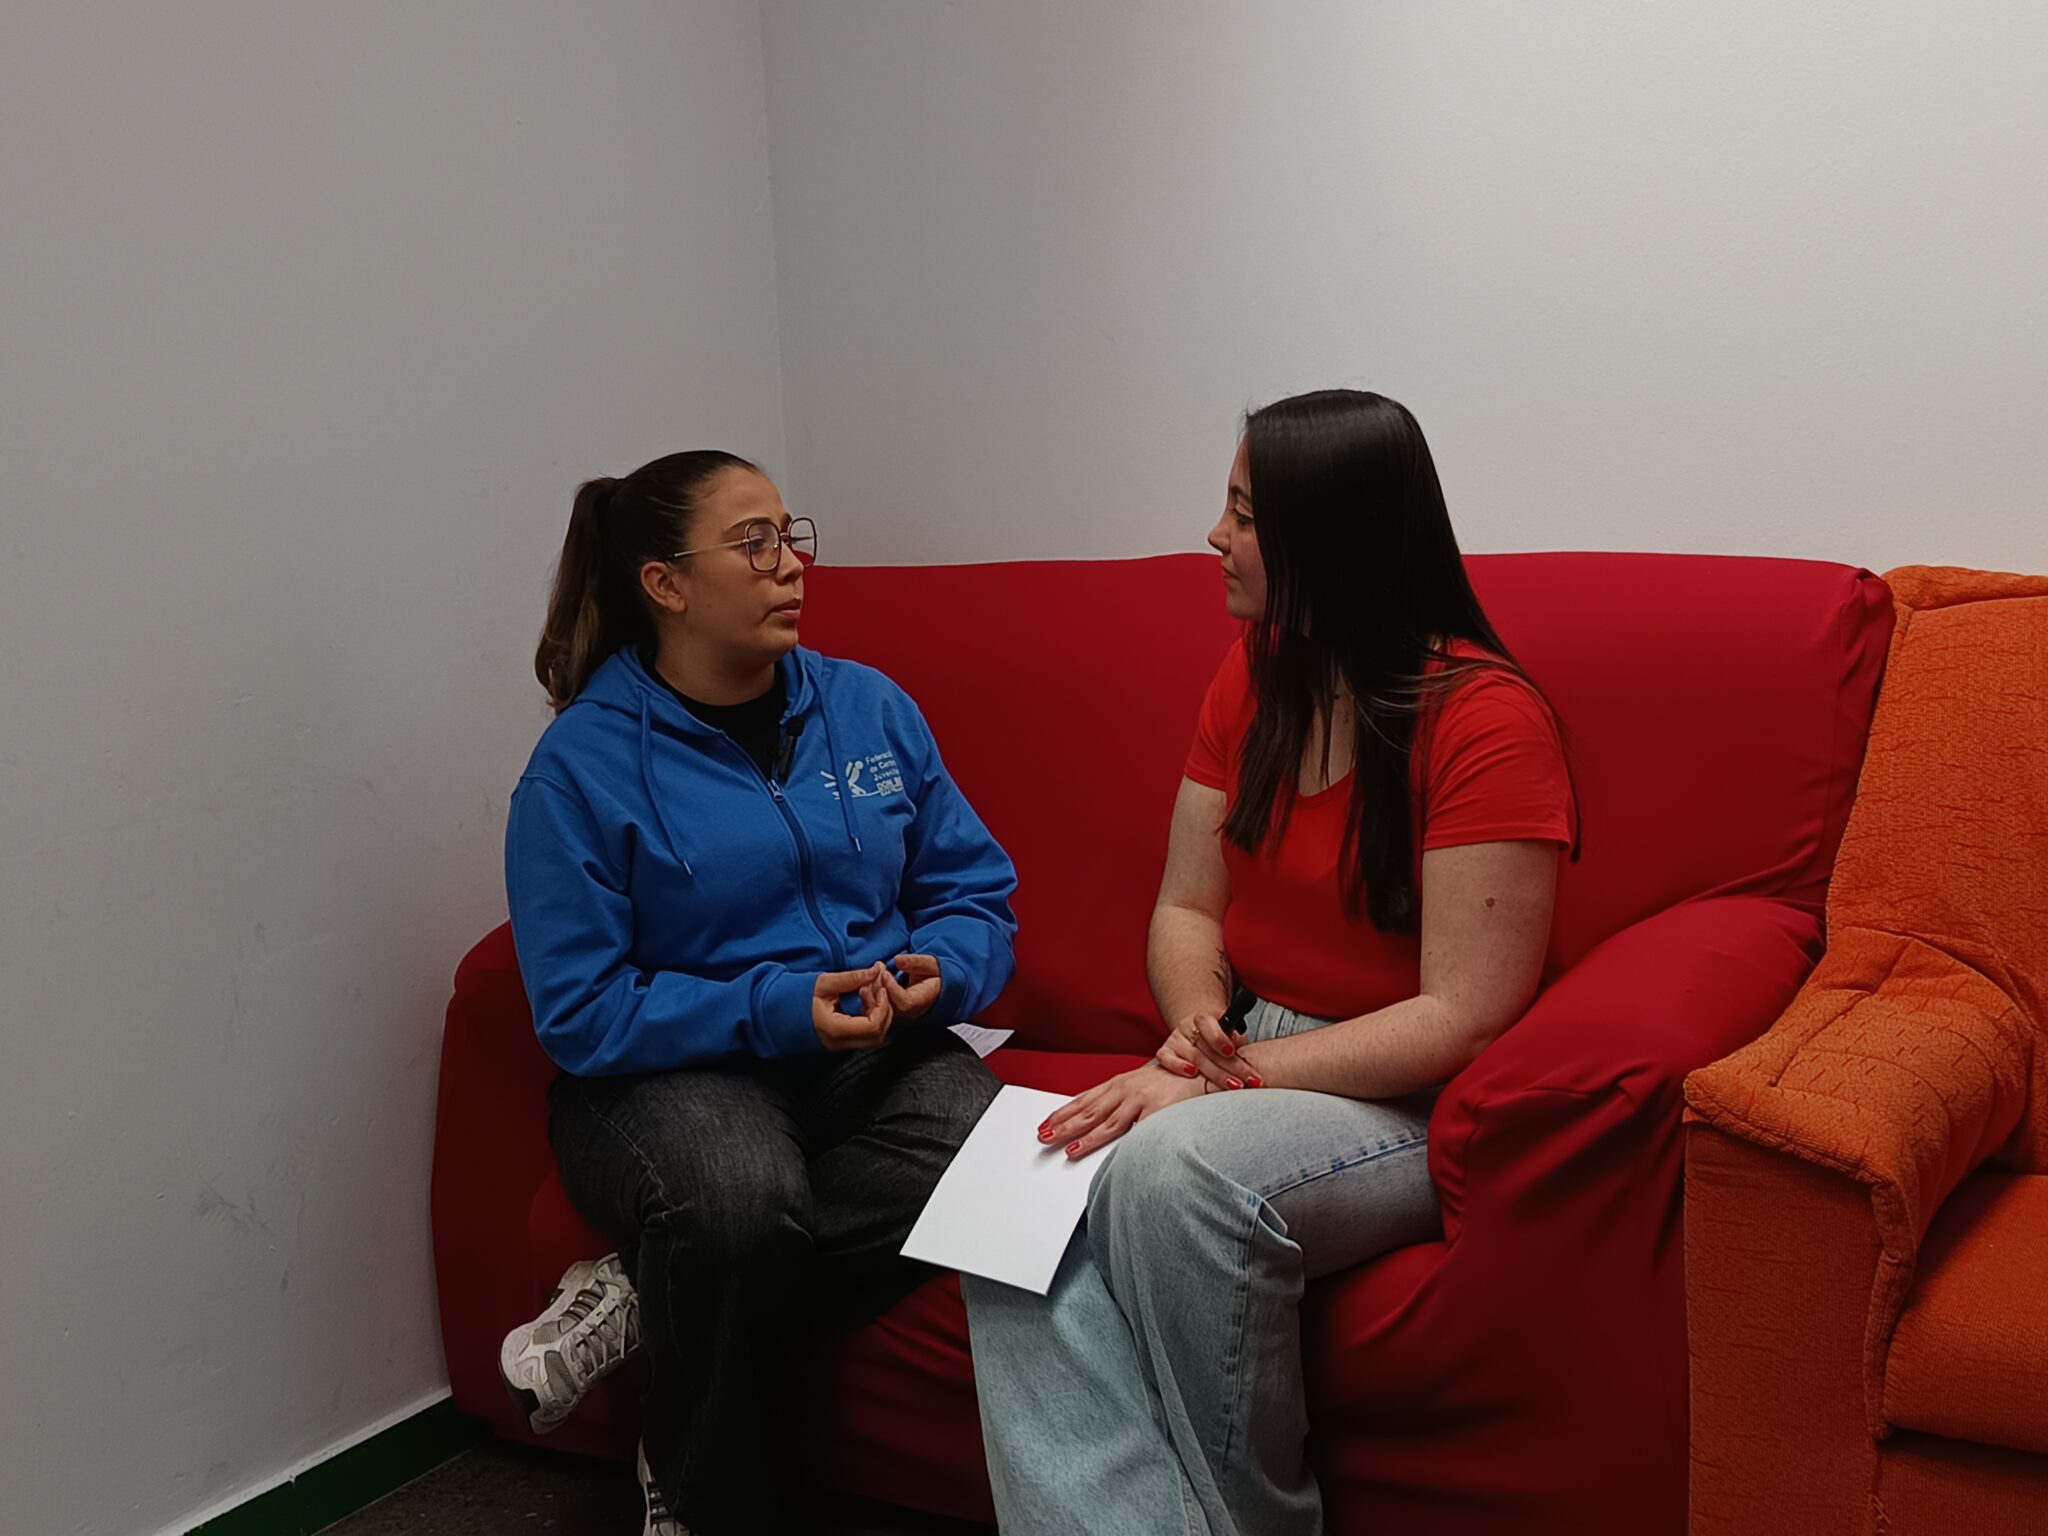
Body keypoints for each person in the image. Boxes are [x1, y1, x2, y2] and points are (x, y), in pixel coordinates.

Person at [962, 390, 1578, 1535]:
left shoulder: (1486, 721)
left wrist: (1207, 1082)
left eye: (1243, 515)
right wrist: (1195, 1027)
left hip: (1401, 1091)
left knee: (1171, 1175)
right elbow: (1186, 903)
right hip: (1247, 1043)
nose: (1213, 535)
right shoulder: (1255, 674)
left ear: (1329, 539)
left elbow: (1465, 1014)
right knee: (1010, 1194)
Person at [497, 450, 1017, 1536]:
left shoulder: (867, 707)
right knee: (736, 1205)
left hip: (866, 1055)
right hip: (668, 1068)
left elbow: (970, 890)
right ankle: (702, 1500)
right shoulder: (578, 768)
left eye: (790, 534)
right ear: (665, 585)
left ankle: (647, 1292)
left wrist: (945, 968)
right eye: (755, 543)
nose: (792, 564)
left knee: (995, 1154)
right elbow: (581, 1011)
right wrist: (772, 1007)